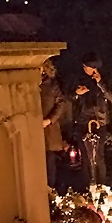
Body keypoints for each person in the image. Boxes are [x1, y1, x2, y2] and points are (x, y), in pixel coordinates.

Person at [74, 52, 112, 185]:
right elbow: (68, 97)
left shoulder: (104, 79)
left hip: (99, 122)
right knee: (85, 156)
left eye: (86, 67)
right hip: (82, 121)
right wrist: (76, 93)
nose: (84, 69)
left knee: (99, 156)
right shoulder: (78, 78)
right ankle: (88, 185)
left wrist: (100, 83)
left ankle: (101, 184)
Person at [40, 58, 68, 190]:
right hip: (32, 130)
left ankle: (51, 190)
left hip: (48, 130)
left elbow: (60, 103)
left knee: (49, 160)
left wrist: (49, 120)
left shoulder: (51, 85)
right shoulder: (30, 85)